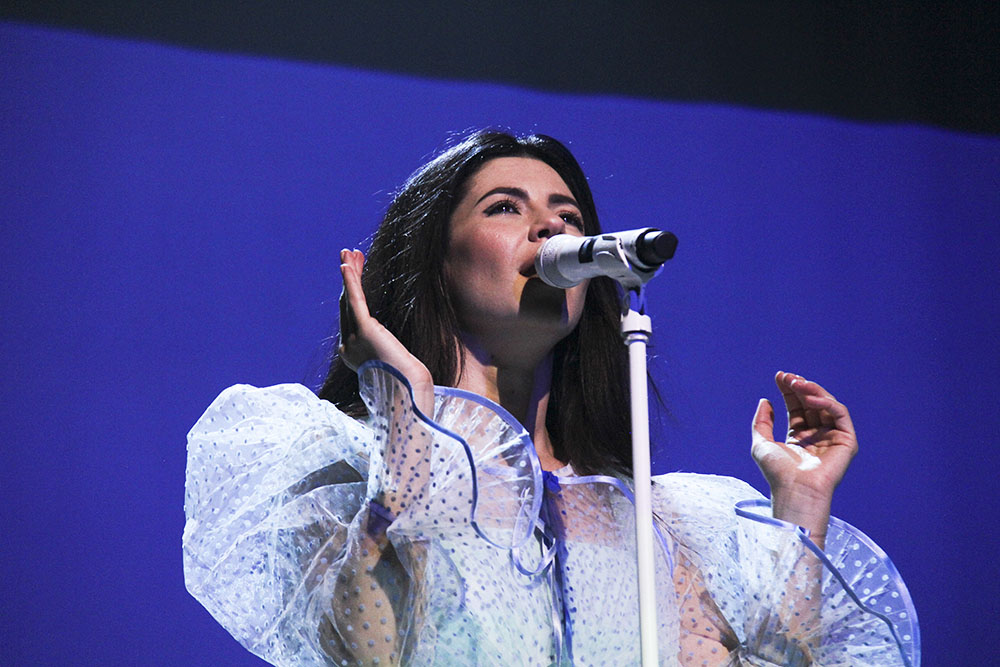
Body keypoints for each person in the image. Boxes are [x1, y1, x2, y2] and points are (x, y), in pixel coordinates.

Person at [183, 131, 919, 666]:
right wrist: (406, 415)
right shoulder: (354, 471)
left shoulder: (654, 523)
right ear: (435, 264)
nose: (551, 228)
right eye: (505, 208)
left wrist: (800, 507)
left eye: (569, 217)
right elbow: (371, 653)